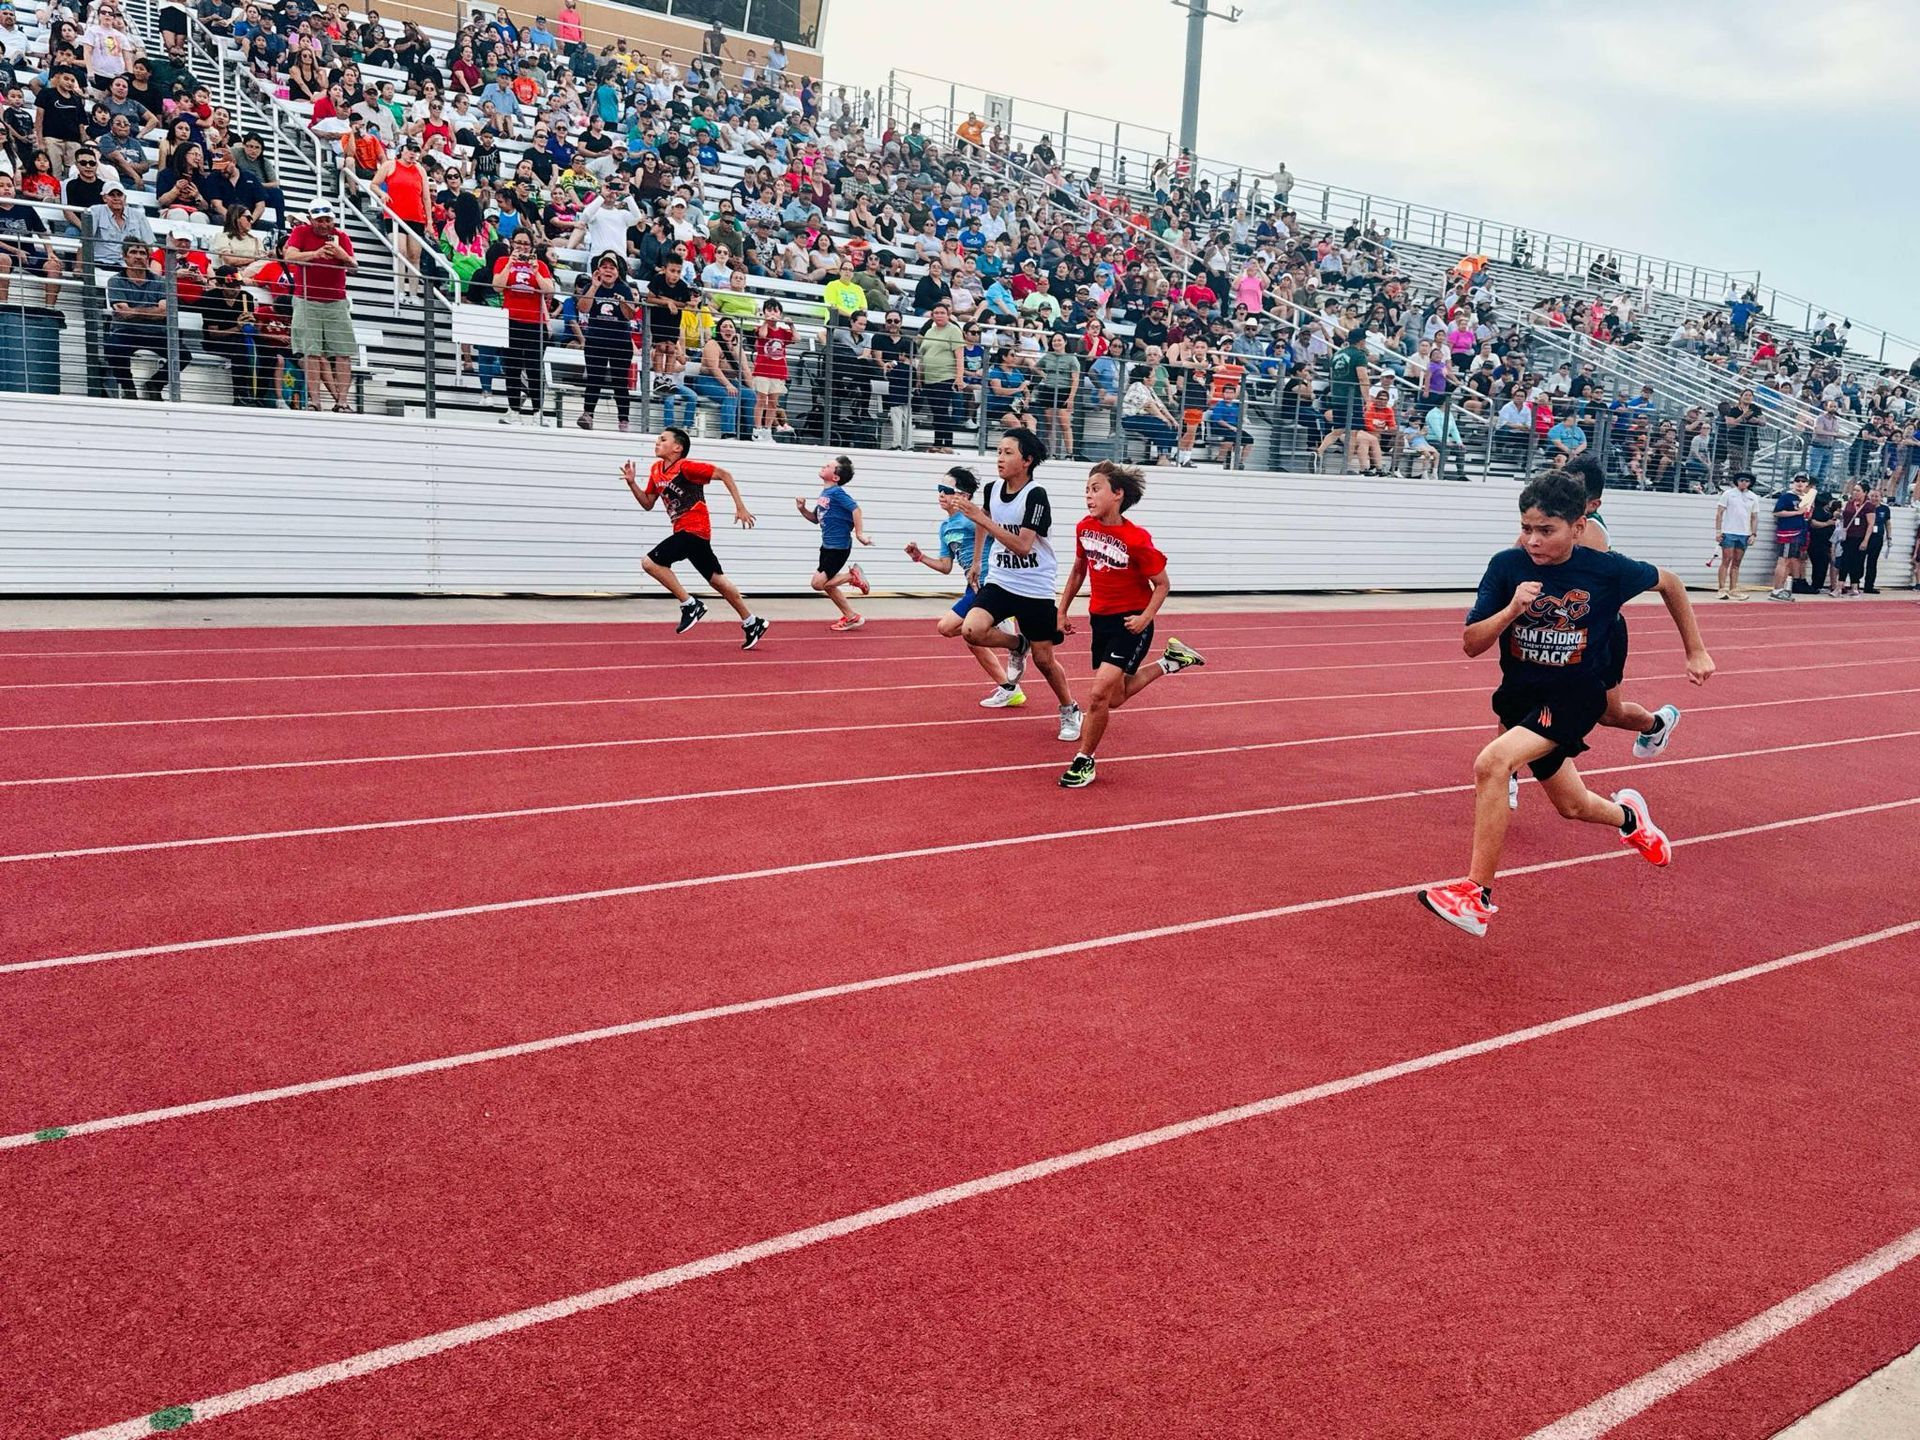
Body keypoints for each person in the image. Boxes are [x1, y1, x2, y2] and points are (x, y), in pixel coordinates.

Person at [1418, 471, 1715, 938]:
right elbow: (1471, 644)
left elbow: (1672, 583)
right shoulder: (1505, 567)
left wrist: (1695, 649)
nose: (1533, 540)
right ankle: (1631, 818)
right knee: (1573, 807)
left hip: (1575, 695)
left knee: (1493, 763)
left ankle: (1476, 895)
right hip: (1521, 696)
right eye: (1526, 528)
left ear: (1578, 526)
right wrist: (1513, 609)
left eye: (1546, 530)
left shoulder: (1606, 569)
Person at [1053, 462, 1207, 788]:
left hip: (1131, 622)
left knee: (1097, 696)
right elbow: (1079, 569)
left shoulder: (1136, 539)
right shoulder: (1084, 528)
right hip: (1101, 620)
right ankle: (1171, 662)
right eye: (1086, 489)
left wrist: (1144, 618)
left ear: (1117, 494)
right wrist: (1062, 610)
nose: (1088, 495)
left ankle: (1084, 760)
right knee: (1115, 697)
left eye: (1096, 489)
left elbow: (1163, 584)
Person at [942, 430, 1083, 742]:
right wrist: (978, 560)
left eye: (1007, 453)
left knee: (1045, 661)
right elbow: (983, 524)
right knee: (971, 630)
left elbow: (1022, 545)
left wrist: (983, 518)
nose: (1000, 458)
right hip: (1002, 581)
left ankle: (1070, 709)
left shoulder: (1035, 495)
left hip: (1034, 587)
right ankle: (1018, 645)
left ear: (1027, 460)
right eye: (998, 452)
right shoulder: (993, 489)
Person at [1560, 458, 1682, 783]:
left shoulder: (1592, 533)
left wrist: (1696, 651)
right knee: (1522, 691)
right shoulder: (1549, 518)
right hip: (1559, 631)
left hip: (1599, 633)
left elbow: (1668, 583)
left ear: (1592, 503)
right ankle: (1507, 774)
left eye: (1573, 491)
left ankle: (1655, 724)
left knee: (1609, 714)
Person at [619, 427, 769, 649]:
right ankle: (751, 621)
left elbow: (725, 474)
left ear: (677, 448)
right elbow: (648, 503)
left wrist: (740, 507)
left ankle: (690, 605)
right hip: (686, 532)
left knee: (650, 562)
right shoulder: (656, 470)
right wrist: (632, 483)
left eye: (663, 439)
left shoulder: (687, 467)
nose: (657, 442)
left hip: (693, 529)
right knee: (717, 580)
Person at [904, 465, 1021, 708]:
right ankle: (1009, 688)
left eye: (946, 490)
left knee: (947, 627)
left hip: (992, 584)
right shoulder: (946, 527)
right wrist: (920, 557)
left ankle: (1015, 642)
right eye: (939, 489)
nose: (941, 495)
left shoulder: (974, 518)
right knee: (970, 638)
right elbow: (946, 566)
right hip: (973, 586)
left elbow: (1003, 537)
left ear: (964, 496)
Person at [284, 200, 358, 412]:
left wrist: (341, 255)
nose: (324, 225)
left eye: (327, 220)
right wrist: (315, 255)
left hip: (336, 300)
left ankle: (342, 401)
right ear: (311, 219)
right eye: (319, 221)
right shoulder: (300, 231)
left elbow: (354, 267)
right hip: (307, 299)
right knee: (311, 352)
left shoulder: (341, 237)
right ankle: (315, 401)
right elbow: (289, 255)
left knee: (343, 352)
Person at [795, 455, 874, 631]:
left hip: (838, 548)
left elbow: (856, 509)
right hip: (827, 546)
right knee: (828, 585)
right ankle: (851, 617)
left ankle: (852, 576)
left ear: (836, 477)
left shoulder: (837, 493)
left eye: (829, 466)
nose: (824, 466)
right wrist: (802, 509)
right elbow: (815, 518)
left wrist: (859, 533)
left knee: (818, 584)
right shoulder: (825, 494)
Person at [102, 240, 179, 400]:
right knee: (113, 347)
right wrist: (152, 311)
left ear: (149, 257)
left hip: (155, 333)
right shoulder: (115, 281)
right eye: (133, 253)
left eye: (142, 253)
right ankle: (128, 387)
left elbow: (165, 313)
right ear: (124, 257)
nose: (138, 257)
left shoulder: (159, 282)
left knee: (183, 354)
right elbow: (123, 314)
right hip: (126, 331)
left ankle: (156, 384)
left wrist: (134, 311)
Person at [491, 229, 554, 422]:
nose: (522, 246)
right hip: (511, 319)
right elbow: (497, 286)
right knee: (512, 366)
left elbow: (549, 290)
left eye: (526, 244)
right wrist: (511, 263)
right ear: (512, 243)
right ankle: (514, 410)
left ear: (532, 247)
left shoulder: (541, 265)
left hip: (535, 321)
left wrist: (535, 271)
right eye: (518, 242)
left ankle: (537, 412)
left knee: (535, 368)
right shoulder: (502, 262)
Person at [574, 250, 634, 431]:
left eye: (612, 267)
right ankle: (588, 415)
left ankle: (624, 420)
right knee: (594, 379)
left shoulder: (625, 289)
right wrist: (593, 286)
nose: (608, 270)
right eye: (604, 266)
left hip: (620, 342)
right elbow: (583, 308)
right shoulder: (591, 286)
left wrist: (623, 302)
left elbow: (630, 315)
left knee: (620, 382)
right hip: (596, 340)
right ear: (598, 269)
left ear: (618, 271)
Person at [1767, 473, 1814, 601]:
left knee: (1790, 562)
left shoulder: (1804, 498)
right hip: (1788, 533)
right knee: (1784, 560)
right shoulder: (1787, 497)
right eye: (1797, 480)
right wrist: (1797, 512)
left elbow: (1806, 516)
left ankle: (1781, 588)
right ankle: (1776, 589)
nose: (1800, 483)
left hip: (1799, 532)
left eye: (1803, 481)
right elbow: (1777, 512)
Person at [1713, 471, 1759, 600]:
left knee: (1737, 563)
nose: (1744, 483)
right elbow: (1719, 513)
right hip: (1729, 532)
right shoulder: (1728, 494)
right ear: (1737, 481)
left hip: (1744, 534)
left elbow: (1754, 517)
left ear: (1750, 483)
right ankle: (1722, 589)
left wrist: (1753, 534)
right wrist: (1718, 531)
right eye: (1741, 480)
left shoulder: (1753, 497)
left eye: (1747, 481)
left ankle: (1733, 589)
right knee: (1726, 560)